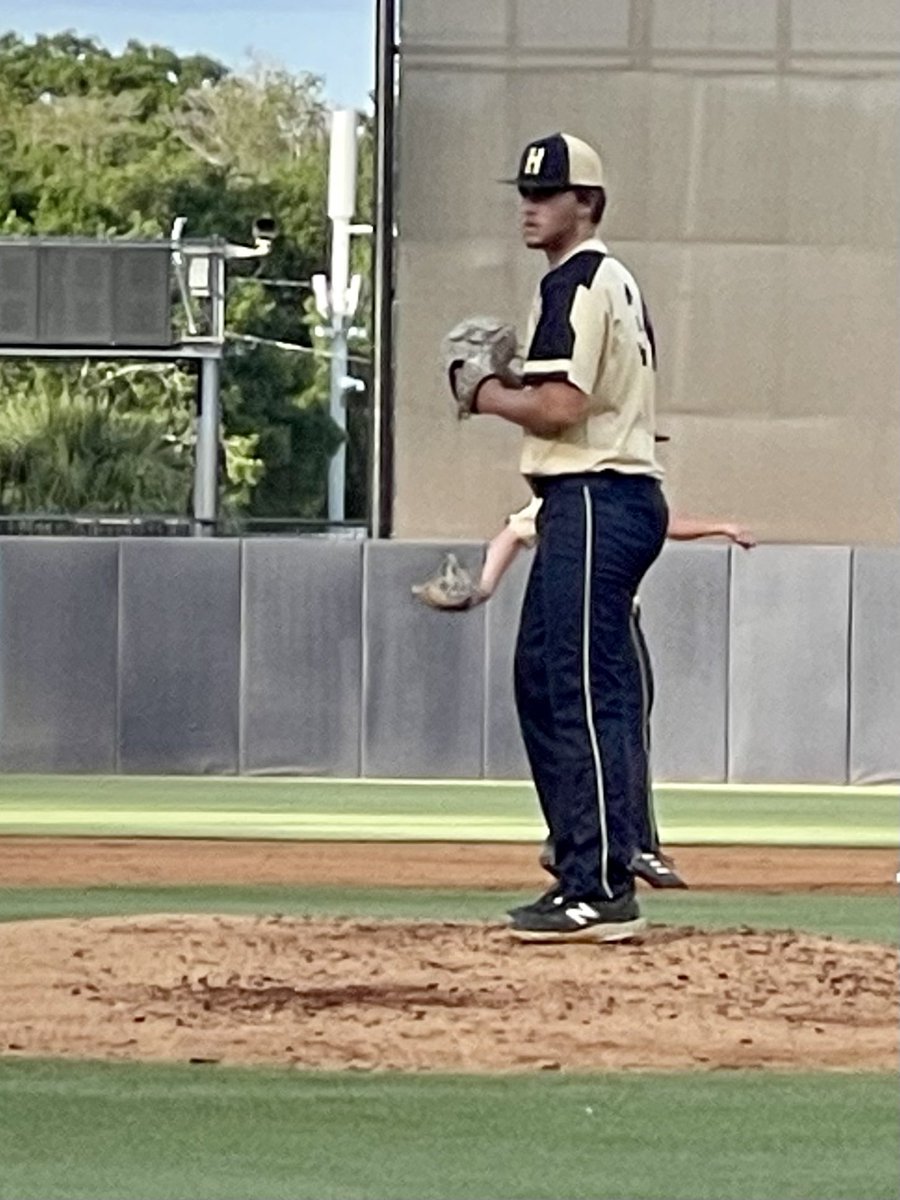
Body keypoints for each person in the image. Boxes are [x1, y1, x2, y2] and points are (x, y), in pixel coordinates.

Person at [445, 131, 675, 941]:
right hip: (596, 497)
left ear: (588, 203)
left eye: (548, 193)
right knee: (553, 681)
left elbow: (560, 408)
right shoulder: (606, 280)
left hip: (594, 495)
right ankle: (591, 857)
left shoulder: (579, 280)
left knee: (573, 687)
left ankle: (598, 884)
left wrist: (483, 393)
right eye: (525, 192)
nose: (530, 205)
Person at [412, 496, 756, 890]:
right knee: (622, 732)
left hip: (571, 623)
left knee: (585, 734)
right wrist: (482, 588)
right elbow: (514, 534)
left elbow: (513, 534)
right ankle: (636, 845)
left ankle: (573, 841)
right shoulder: (589, 490)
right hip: (607, 623)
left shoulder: (579, 492)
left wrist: (485, 589)